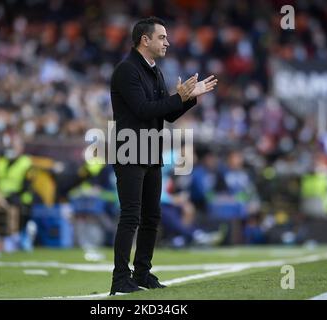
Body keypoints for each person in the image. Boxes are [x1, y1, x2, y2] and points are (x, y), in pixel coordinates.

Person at [109, 16, 217, 295]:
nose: (168, 42)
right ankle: (121, 279)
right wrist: (178, 97)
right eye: (162, 37)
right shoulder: (126, 70)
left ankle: (142, 274)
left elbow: (167, 113)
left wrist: (191, 97)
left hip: (150, 150)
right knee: (131, 216)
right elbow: (144, 110)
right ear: (145, 40)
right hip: (129, 150)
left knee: (151, 217)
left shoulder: (154, 70)